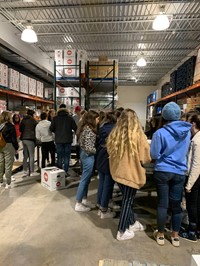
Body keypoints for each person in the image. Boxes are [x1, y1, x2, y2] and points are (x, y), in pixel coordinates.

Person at [150, 102, 191, 247]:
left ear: (164, 116)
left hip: (163, 170)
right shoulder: (187, 133)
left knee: (162, 204)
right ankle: (175, 236)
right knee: (176, 205)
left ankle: (160, 235)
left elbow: (154, 154)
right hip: (179, 171)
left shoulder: (159, 133)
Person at [107, 108, 151, 241]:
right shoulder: (139, 136)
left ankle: (131, 223)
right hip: (131, 175)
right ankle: (121, 231)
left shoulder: (114, 134)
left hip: (117, 174)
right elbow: (145, 158)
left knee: (127, 200)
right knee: (127, 201)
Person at [179, 113, 200, 242]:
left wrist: (189, 184)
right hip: (195, 178)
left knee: (192, 205)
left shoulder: (197, 141)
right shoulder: (195, 138)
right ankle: (195, 229)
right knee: (196, 204)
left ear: (193, 124)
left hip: (194, 179)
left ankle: (192, 232)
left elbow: (196, 164)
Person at [75, 110, 99, 212]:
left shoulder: (84, 128)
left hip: (85, 155)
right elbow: (89, 148)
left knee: (86, 179)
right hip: (88, 156)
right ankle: (78, 203)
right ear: (92, 119)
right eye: (97, 118)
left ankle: (84, 200)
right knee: (84, 180)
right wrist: (98, 150)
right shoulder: (89, 130)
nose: (98, 120)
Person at [96, 111, 116, 219]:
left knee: (102, 183)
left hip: (100, 158)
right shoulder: (115, 130)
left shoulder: (101, 129)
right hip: (109, 159)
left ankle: (99, 204)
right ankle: (103, 209)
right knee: (108, 185)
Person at [50, 104, 77, 176]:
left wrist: (57, 131)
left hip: (58, 140)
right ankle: (65, 171)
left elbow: (51, 128)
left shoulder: (55, 118)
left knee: (59, 156)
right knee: (67, 156)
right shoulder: (70, 118)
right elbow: (75, 127)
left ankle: (59, 172)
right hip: (68, 140)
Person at [0, 111, 19, 189]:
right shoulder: (10, 126)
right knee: (8, 165)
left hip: (0, 145)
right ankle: (8, 183)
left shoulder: (0, 125)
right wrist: (16, 148)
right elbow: (14, 139)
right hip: (9, 145)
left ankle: (0, 182)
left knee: (0, 163)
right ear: (8, 117)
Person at [20, 109, 38, 176]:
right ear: (32, 114)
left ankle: (25, 171)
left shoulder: (23, 120)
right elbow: (37, 127)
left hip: (24, 139)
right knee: (31, 155)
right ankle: (32, 172)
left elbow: (20, 129)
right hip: (30, 139)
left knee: (25, 156)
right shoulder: (33, 120)